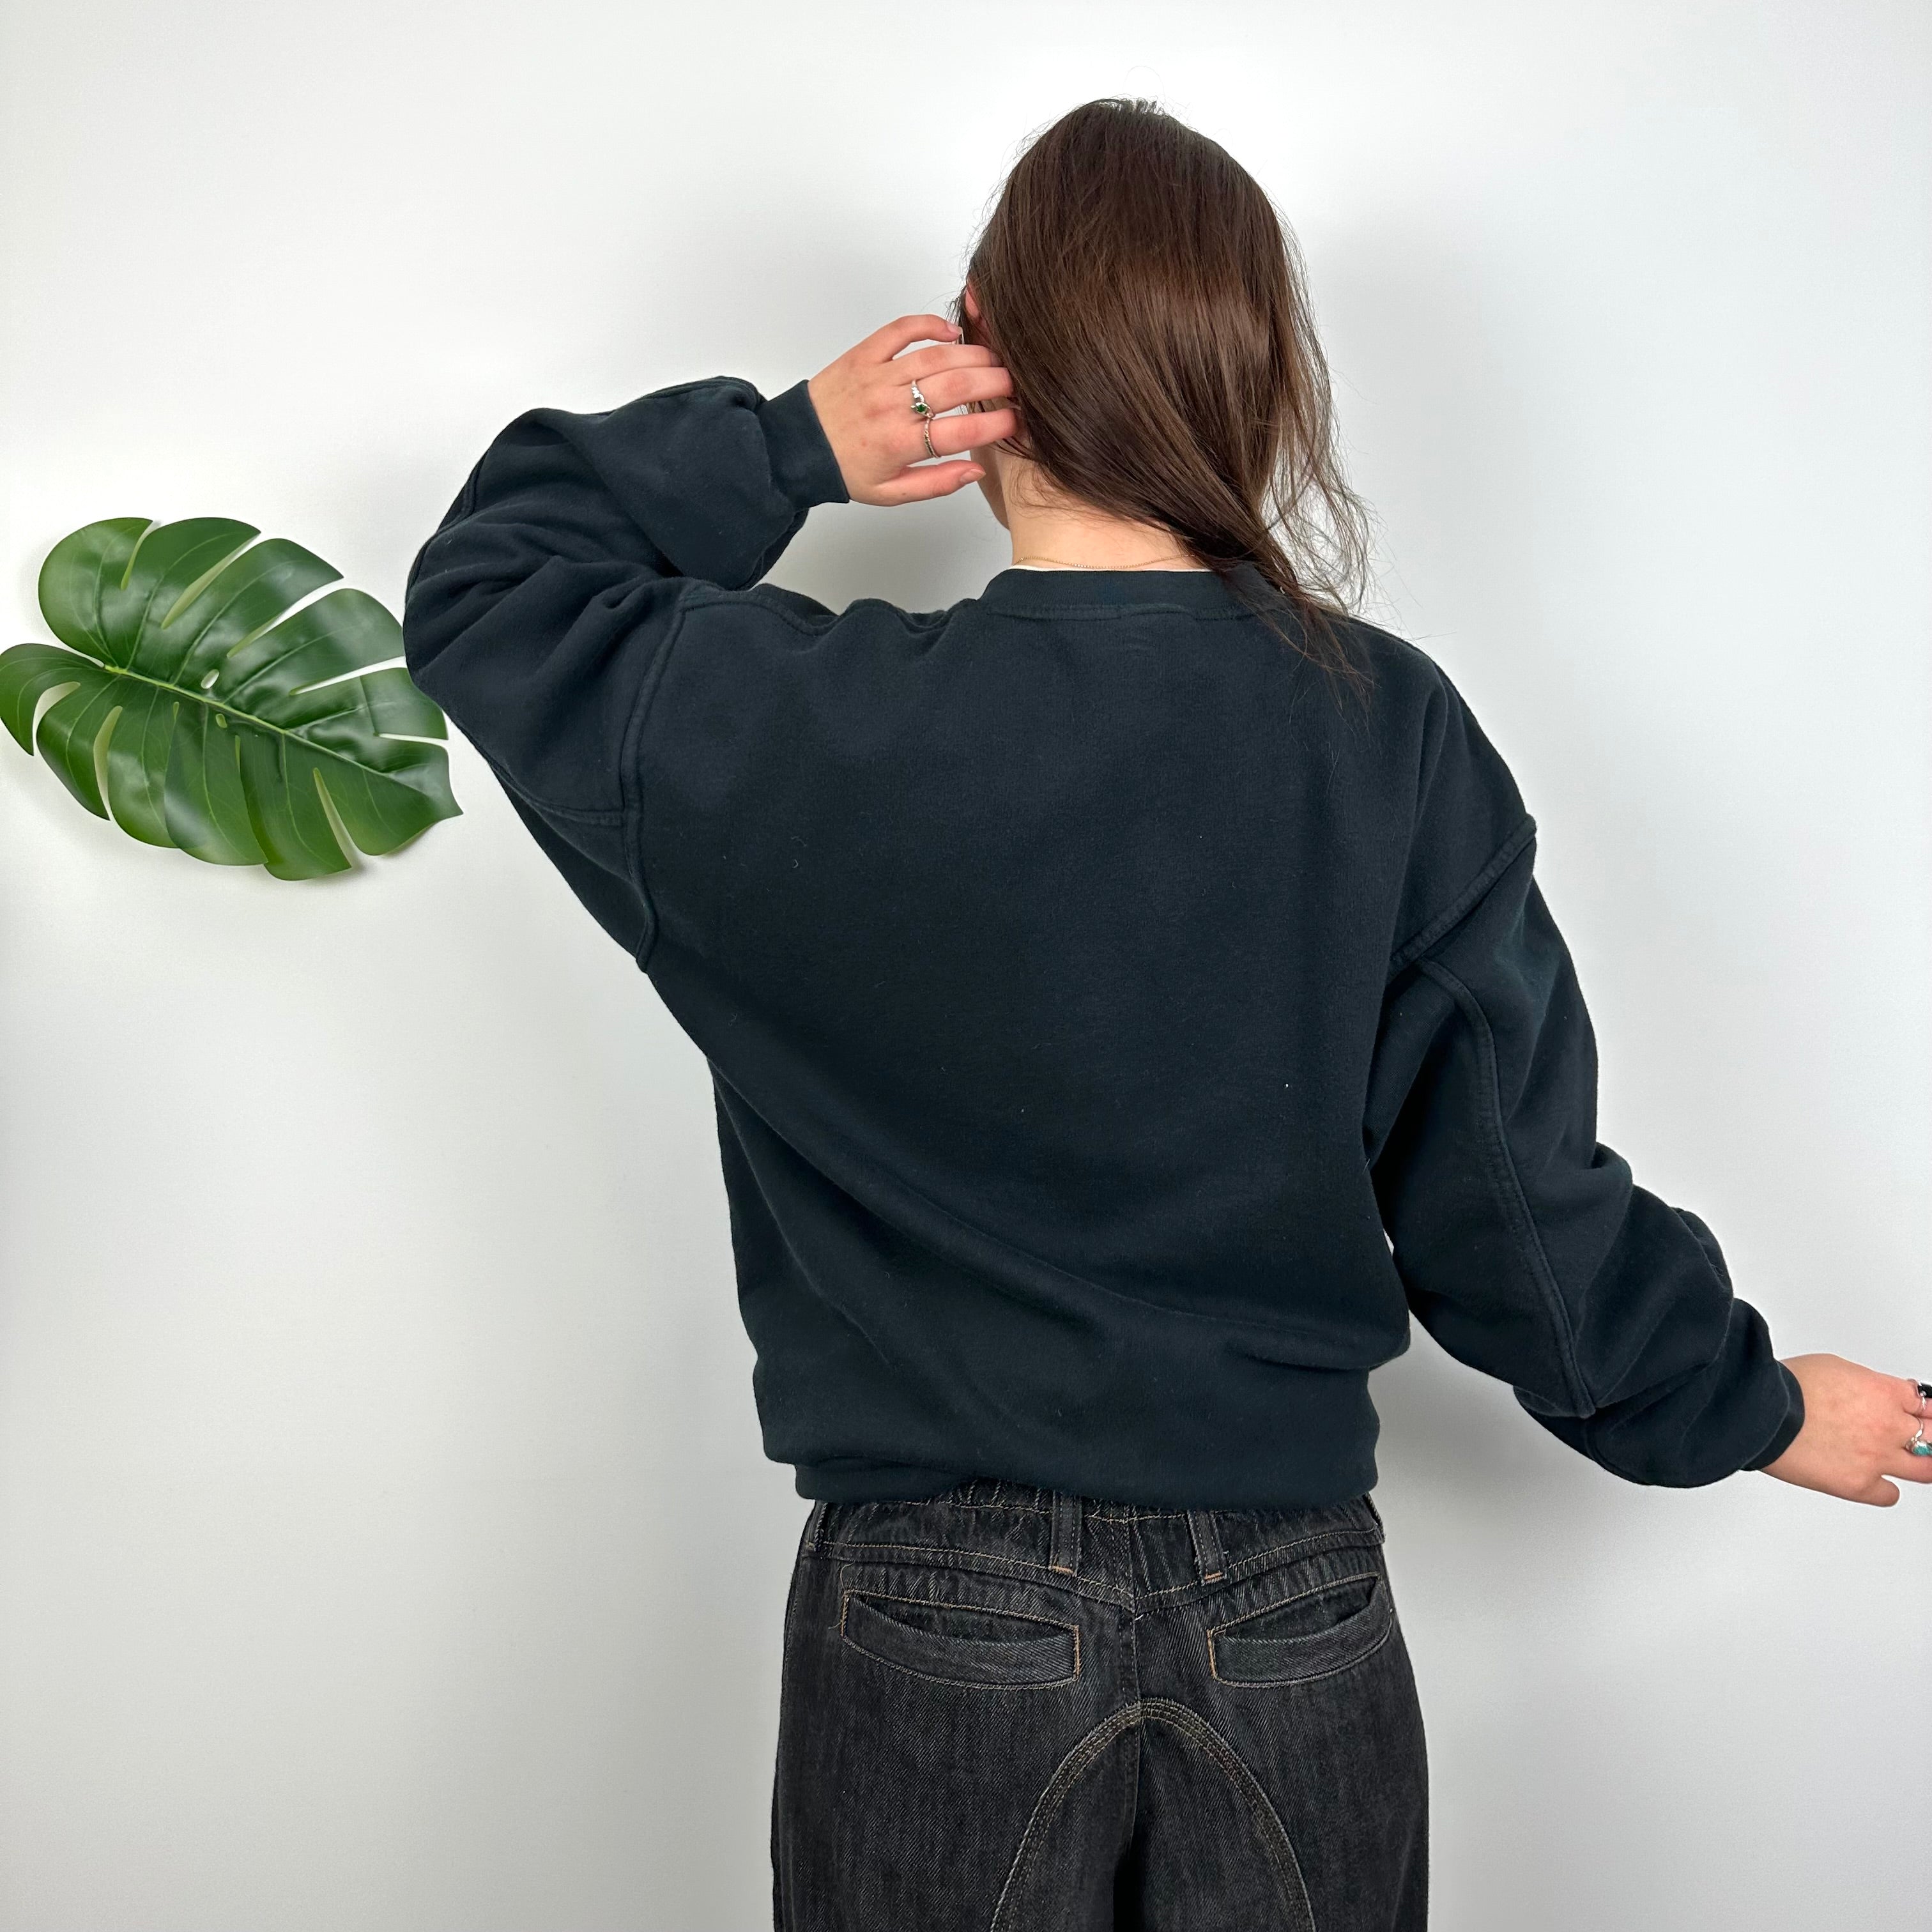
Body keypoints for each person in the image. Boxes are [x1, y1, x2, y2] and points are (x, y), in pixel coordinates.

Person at [401, 96, 1927, 1932]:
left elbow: (492, 588)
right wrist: (1744, 1404)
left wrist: (791, 444)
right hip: (1297, 1616)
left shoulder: (793, 731)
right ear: (1262, 388)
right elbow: (1511, 1202)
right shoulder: (1386, 732)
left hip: (931, 1612)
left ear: (982, 353)